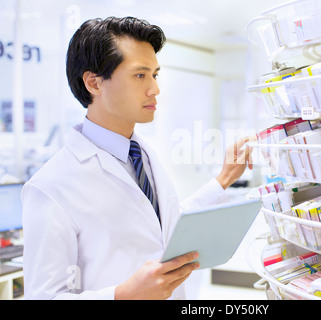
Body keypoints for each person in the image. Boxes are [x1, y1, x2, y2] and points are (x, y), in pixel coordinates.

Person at [21, 16, 253, 300]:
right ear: (94, 83)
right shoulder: (50, 186)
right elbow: (42, 296)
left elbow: (165, 229)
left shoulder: (141, 154)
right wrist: (121, 295)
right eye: (140, 75)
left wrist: (225, 178)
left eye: (154, 75)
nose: (155, 89)